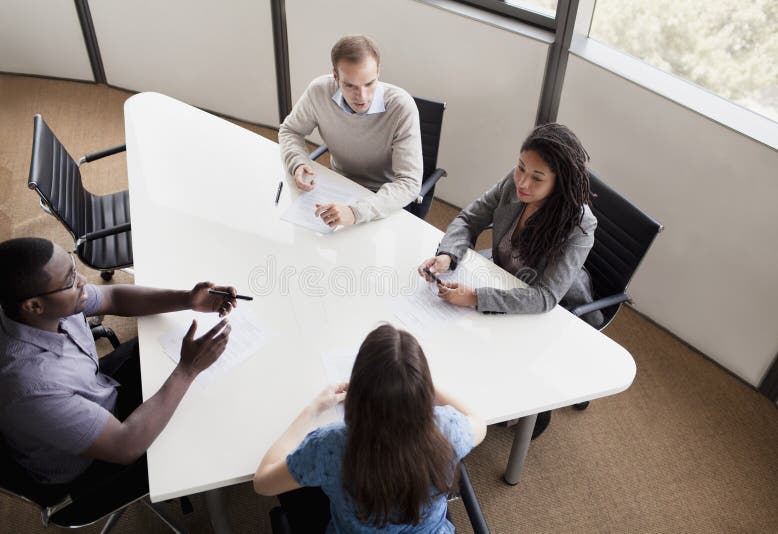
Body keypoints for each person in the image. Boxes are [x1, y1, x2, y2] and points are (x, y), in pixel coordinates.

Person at [0, 237, 236, 491]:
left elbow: (112, 297)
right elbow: (126, 446)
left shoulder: (46, 306)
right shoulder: (31, 389)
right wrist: (188, 369)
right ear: (34, 306)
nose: (82, 282)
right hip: (91, 462)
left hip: (95, 387)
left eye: (72, 265)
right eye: (70, 280)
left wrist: (188, 299)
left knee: (169, 355)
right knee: (206, 420)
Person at [418, 123, 601, 439]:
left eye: (537, 178)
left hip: (556, 309)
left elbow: (545, 297)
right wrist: (448, 255)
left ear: (560, 184)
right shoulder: (514, 183)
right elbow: (468, 219)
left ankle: (535, 408)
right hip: (503, 277)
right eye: (521, 168)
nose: (523, 181)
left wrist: (476, 297)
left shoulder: (579, 224)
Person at [253, 324, 486, 533]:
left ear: (358, 391)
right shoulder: (447, 430)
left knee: (293, 490)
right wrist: (414, 385)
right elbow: (479, 422)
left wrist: (311, 410)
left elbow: (262, 482)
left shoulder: (330, 446)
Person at [279, 34, 423, 228]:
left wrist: (356, 212)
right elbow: (290, 130)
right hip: (337, 184)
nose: (361, 96)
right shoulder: (319, 91)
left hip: (382, 198)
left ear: (378, 72)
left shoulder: (402, 107)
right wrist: (297, 162)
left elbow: (409, 182)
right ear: (336, 77)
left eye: (369, 83)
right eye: (350, 85)